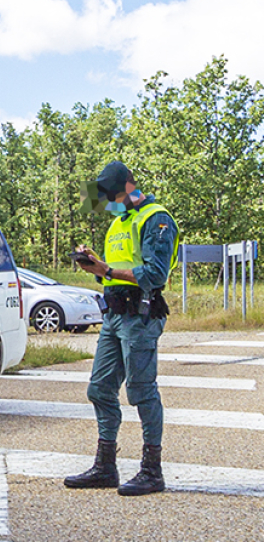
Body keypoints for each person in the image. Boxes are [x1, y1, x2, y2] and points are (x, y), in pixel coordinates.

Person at [66, 161, 179, 496]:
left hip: (141, 316)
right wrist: (96, 267)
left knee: (141, 392)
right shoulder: (117, 222)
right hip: (114, 315)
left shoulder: (156, 218)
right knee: (99, 389)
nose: (107, 205)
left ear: (129, 186)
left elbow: (155, 274)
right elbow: (114, 271)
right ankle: (105, 467)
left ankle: (152, 472)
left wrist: (107, 269)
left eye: (111, 197)